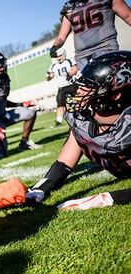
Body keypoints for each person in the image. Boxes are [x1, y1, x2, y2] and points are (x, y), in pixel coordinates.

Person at [26, 51, 131, 210]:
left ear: (116, 95)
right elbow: (63, 163)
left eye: (88, 87)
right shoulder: (84, 119)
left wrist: (107, 198)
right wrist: (41, 188)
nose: (78, 92)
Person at [49, 0, 131, 70]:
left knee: (111, 82)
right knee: (87, 87)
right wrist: (55, 46)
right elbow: (61, 36)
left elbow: (129, 17)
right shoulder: (69, 7)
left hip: (105, 47)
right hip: (82, 56)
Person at [46, 48, 78, 128]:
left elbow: (75, 70)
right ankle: (58, 121)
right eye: (57, 56)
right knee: (60, 104)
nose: (58, 58)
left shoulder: (69, 61)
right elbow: (48, 78)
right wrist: (49, 77)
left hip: (71, 85)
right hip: (61, 87)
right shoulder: (53, 66)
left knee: (78, 101)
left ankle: (81, 115)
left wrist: (68, 73)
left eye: (60, 55)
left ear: (63, 54)